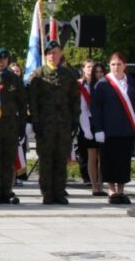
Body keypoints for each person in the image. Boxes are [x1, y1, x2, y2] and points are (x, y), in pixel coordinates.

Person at [28, 40, 79, 204]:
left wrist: (75, 120)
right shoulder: (38, 74)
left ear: (61, 54)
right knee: (46, 159)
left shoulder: (68, 75)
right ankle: (47, 192)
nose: (52, 56)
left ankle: (59, 192)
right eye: (49, 53)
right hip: (45, 125)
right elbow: (33, 101)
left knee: (61, 158)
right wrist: (35, 121)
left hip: (63, 124)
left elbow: (74, 100)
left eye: (55, 52)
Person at [91, 52, 135, 204]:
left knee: (123, 161)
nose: (116, 67)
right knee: (109, 161)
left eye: (119, 64)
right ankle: (111, 190)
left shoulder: (131, 82)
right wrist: (98, 129)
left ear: (124, 65)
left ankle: (121, 191)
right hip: (108, 131)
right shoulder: (103, 84)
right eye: (113, 64)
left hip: (126, 130)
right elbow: (95, 108)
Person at [0, 49, 26, 204]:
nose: (1, 61)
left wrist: (22, 126)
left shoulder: (14, 79)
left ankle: (7, 191)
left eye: (4, 58)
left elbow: (22, 104)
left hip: (10, 125)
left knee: (8, 159)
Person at [77, 59, 106, 196]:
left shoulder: (99, 85)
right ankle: (94, 184)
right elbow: (82, 109)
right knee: (91, 155)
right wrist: (86, 129)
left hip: (101, 123)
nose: (91, 70)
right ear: (83, 68)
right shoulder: (80, 84)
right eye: (88, 67)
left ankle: (101, 184)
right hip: (87, 123)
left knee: (102, 155)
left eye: (93, 67)